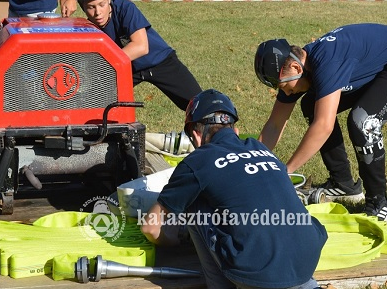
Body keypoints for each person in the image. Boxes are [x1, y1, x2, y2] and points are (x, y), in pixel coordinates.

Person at [140, 89, 327, 289]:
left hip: (258, 273)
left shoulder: (198, 161)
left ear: (195, 135)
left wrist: (176, 239)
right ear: (234, 130)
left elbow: (150, 227)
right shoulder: (259, 148)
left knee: (194, 203)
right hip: (308, 256)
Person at [254, 24, 387, 222]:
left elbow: (324, 126)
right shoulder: (294, 68)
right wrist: (252, 165)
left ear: (297, 67)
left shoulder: (327, 61)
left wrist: (286, 171)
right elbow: (274, 124)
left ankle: (379, 202)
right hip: (381, 66)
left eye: (284, 87)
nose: (286, 93)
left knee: (363, 121)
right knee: (311, 104)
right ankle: (344, 185)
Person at [74, 0, 202, 111]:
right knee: (93, 103)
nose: (98, 12)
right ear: (82, 6)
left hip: (159, 60)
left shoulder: (125, 8)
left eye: (102, 4)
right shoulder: (87, 27)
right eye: (91, 7)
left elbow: (141, 46)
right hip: (126, 68)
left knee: (199, 106)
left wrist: (105, 64)